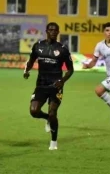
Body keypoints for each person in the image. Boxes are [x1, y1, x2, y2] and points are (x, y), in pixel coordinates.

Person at [23, 22, 74, 150]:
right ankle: (47, 118)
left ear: (58, 32)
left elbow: (70, 69)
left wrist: (62, 81)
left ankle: (53, 142)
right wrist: (27, 70)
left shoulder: (62, 49)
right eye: (50, 30)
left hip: (56, 86)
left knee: (53, 112)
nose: (53, 32)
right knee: (34, 111)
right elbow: (31, 61)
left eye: (55, 30)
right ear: (46, 31)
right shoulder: (38, 46)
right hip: (41, 84)